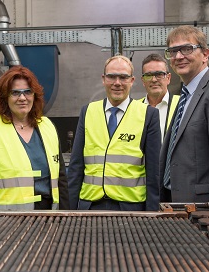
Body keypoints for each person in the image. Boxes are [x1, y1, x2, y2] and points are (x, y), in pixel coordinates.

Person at [0, 65, 69, 217]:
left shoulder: (47, 126)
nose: (22, 98)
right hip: (6, 221)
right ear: (5, 97)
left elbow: (61, 179)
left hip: (50, 216)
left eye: (27, 92)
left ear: (34, 95)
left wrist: (65, 217)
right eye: (15, 93)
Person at [67, 54, 161, 211]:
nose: (117, 83)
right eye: (112, 77)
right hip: (90, 205)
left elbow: (153, 173)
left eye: (123, 77)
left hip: (130, 208)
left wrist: (151, 215)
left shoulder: (148, 114)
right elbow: (76, 167)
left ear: (132, 81)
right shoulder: (88, 111)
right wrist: (70, 210)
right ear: (103, 79)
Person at [160, 25, 209, 203]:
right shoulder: (186, 94)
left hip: (203, 207)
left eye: (187, 49)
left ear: (205, 54)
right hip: (177, 202)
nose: (179, 56)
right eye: (173, 51)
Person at [140, 53, 180, 142]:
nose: (154, 80)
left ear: (168, 78)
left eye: (159, 74)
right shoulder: (134, 108)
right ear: (143, 81)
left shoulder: (183, 104)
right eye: (148, 75)